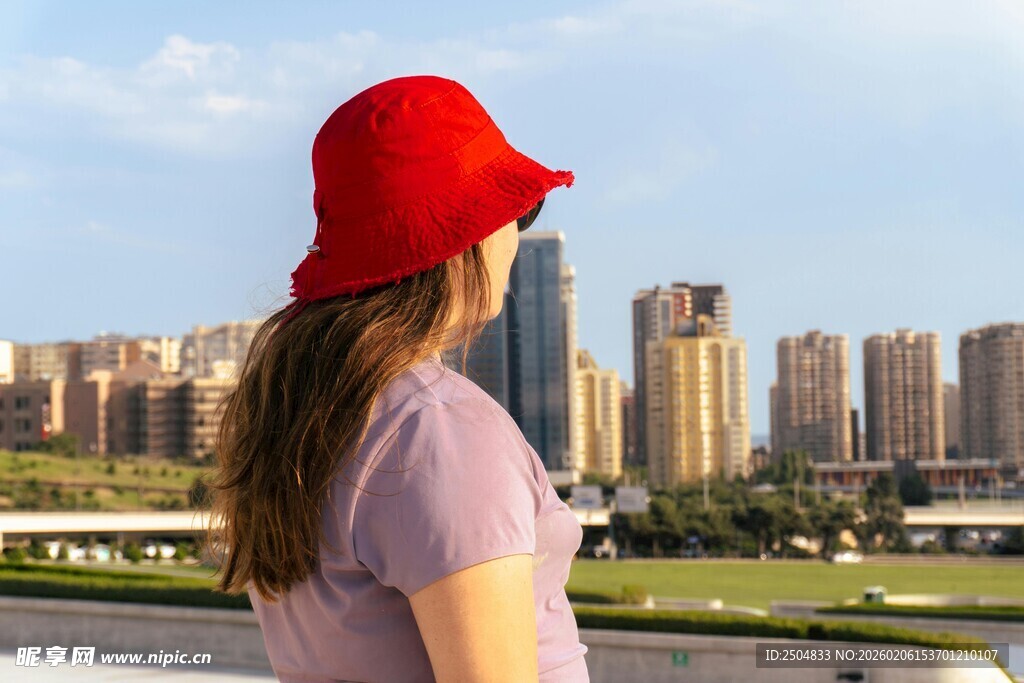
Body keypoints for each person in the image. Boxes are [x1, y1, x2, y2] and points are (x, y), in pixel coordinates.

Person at [207, 75, 589, 682]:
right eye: (518, 206)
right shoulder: (440, 432)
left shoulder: (306, 402)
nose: (518, 232)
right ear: (463, 233)